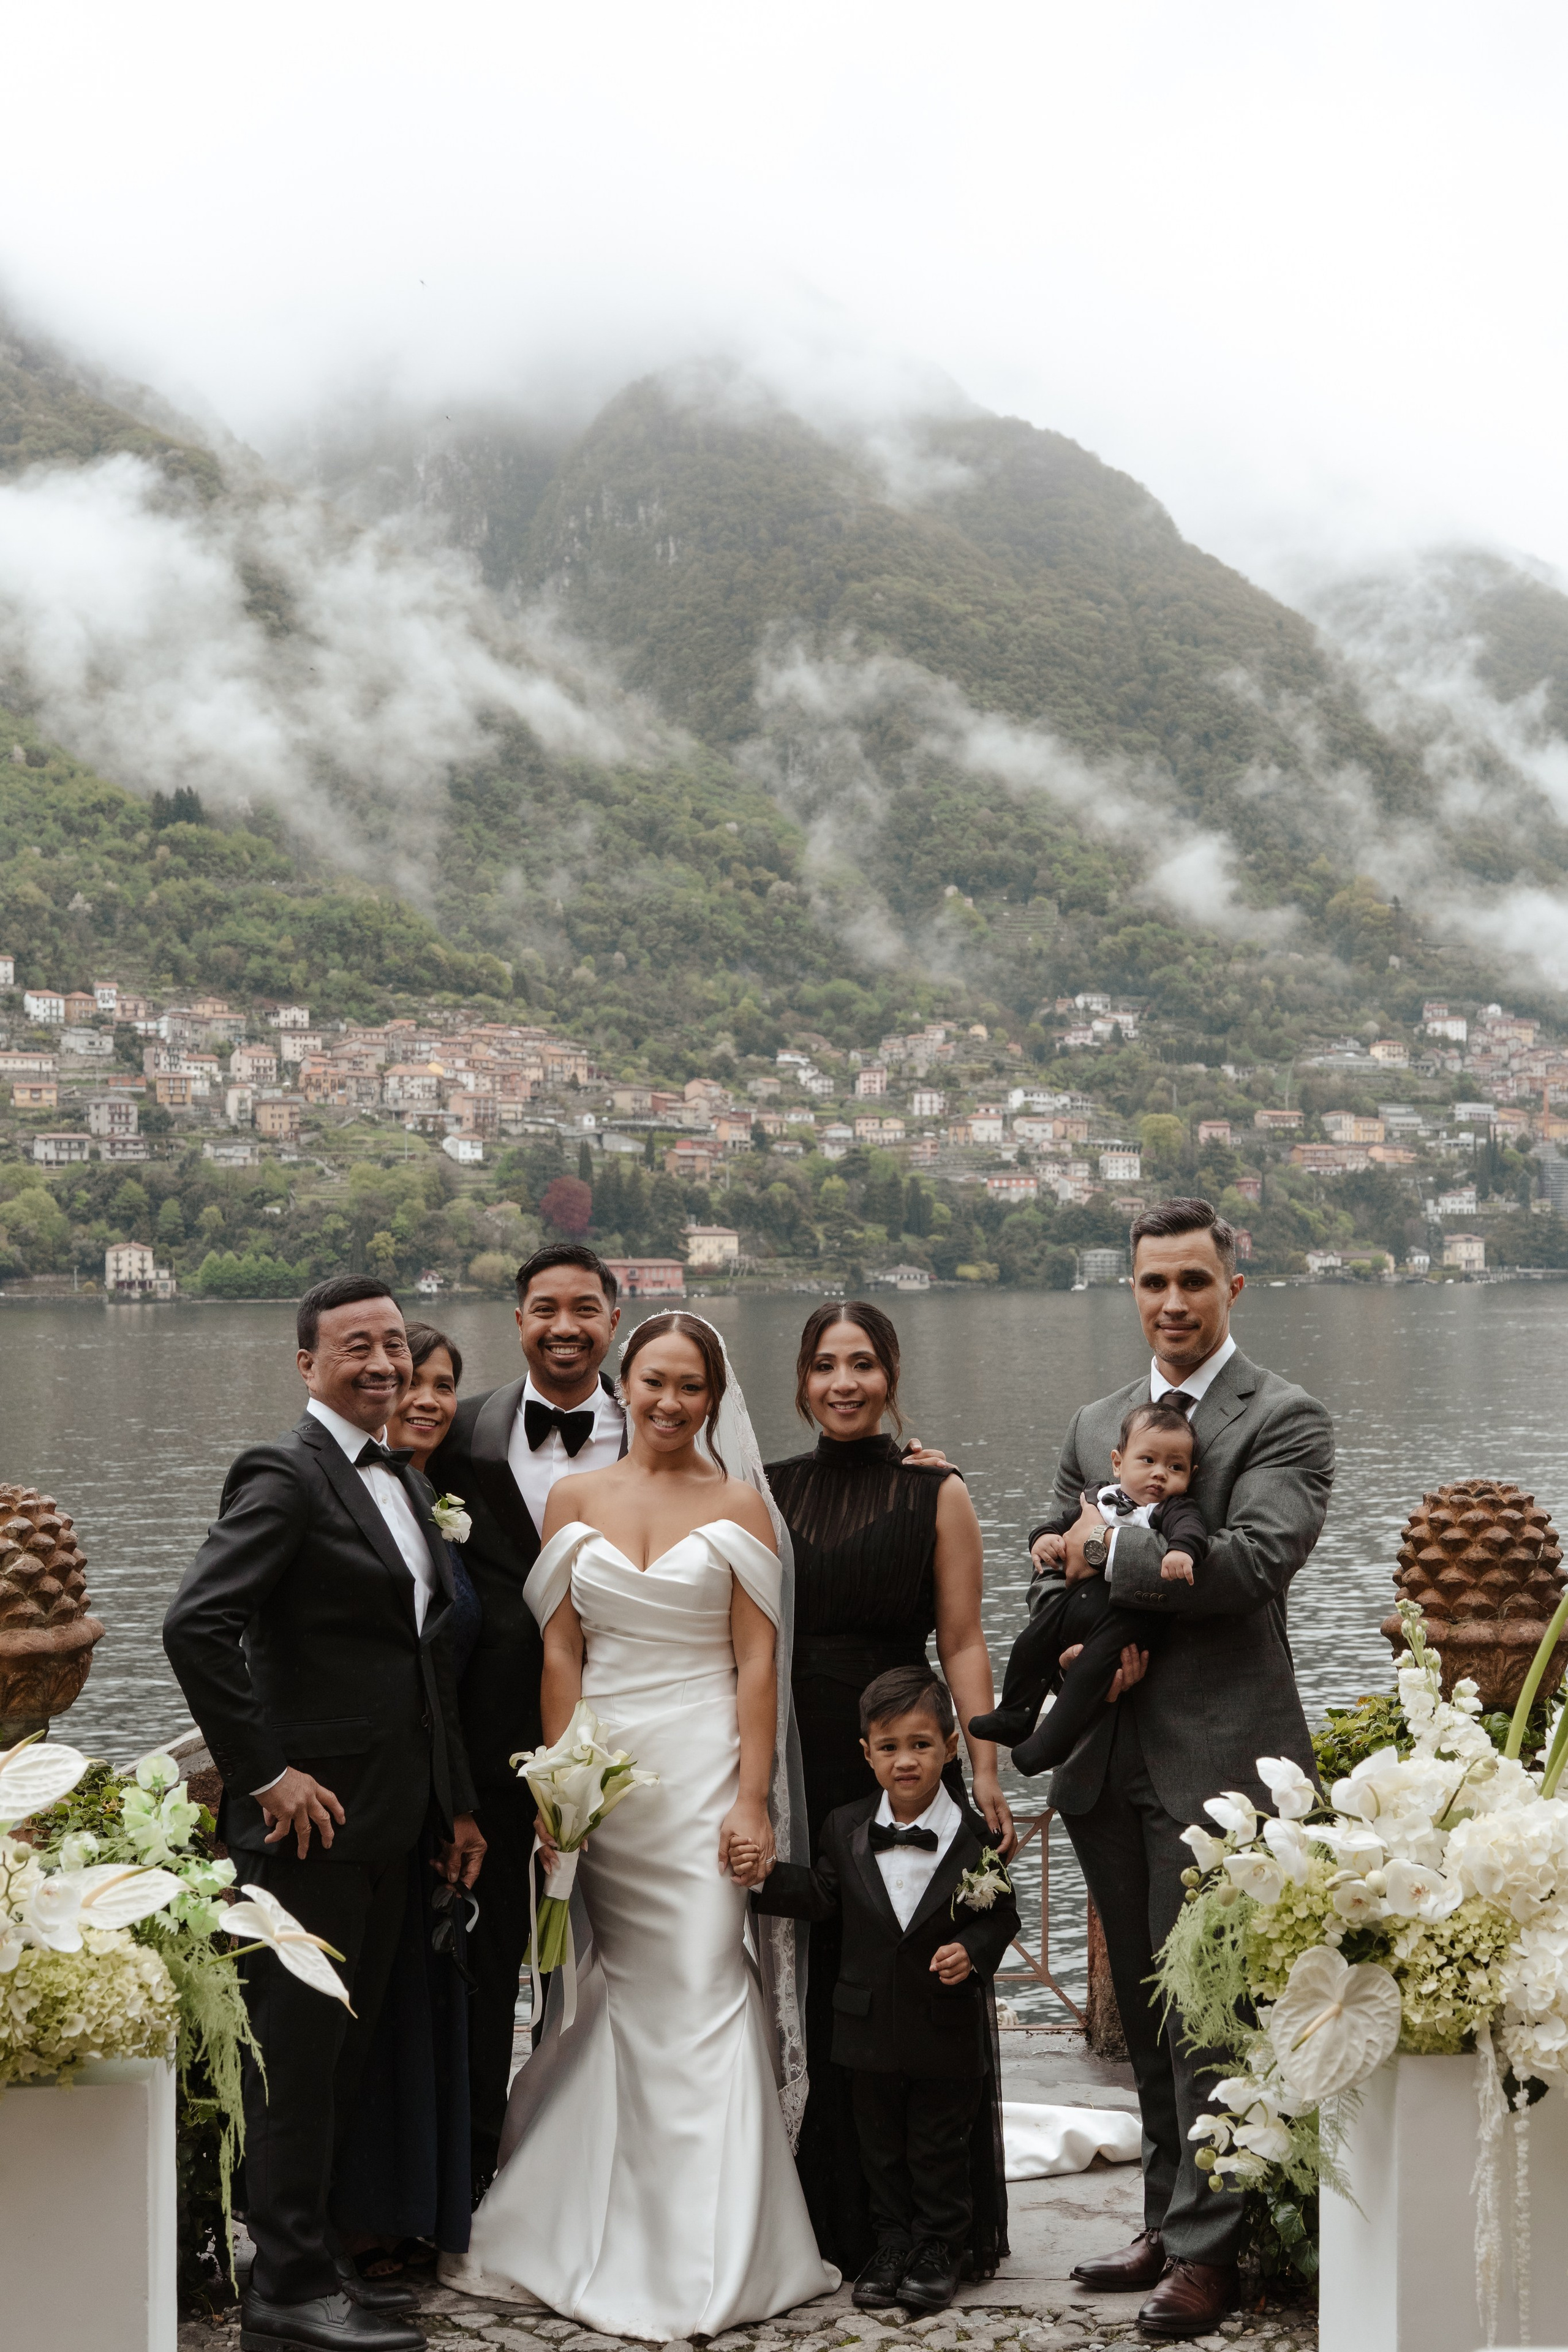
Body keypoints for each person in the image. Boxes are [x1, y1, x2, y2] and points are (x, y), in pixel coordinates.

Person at [467, 1312, 837, 2339]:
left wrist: (754, 1798)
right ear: (623, 1384)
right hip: (607, 1780)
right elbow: (561, 1658)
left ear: (715, 1399)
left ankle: (719, 2246)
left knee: (707, 1976)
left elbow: (758, 1662)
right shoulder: (574, 1498)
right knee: (615, 1988)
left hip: (704, 1762)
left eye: (690, 1387)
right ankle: (589, 2215)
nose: (669, 1403)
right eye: (653, 1382)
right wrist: (560, 1788)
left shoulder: (740, 1507)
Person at [1028, 1198, 1333, 2340]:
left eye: (1193, 1282)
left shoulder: (1286, 1418)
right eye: (1153, 1282)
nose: (1172, 1302)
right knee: (1155, 2020)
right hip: (1107, 1757)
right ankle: (1165, 2216)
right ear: (1134, 1288)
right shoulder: (1095, 1420)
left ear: (1231, 1289)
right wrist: (1066, 1641)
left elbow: (1253, 1565)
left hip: (1217, 1754)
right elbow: (1049, 1569)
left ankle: (1216, 2254)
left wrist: (1114, 1551)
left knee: (1211, 2013)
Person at [163, 1276, 484, 2352]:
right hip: (309, 1830)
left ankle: (321, 2258)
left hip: (392, 1825)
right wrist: (264, 1775)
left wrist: (456, 1805)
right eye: (358, 1348)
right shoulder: (285, 1475)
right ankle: (285, 2292)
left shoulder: (398, 1476)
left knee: (343, 2059)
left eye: (395, 1344)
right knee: (295, 2065)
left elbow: (421, 1661)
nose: (386, 1364)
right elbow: (198, 1625)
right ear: (308, 1366)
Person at [764, 1302, 1014, 2278]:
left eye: (862, 1363)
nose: (843, 1383)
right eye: (824, 1364)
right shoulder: (766, 1489)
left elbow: (962, 1638)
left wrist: (982, 1762)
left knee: (923, 1977)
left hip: (904, 1757)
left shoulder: (936, 1489)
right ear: (800, 1381)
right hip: (801, 1758)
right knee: (825, 1980)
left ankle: (940, 2227)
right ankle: (839, 2224)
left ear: (891, 1374)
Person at [424, 1243, 625, 2213]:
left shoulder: (669, 1423)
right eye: (544, 1308)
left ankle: (609, 2168)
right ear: (517, 1322)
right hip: (494, 1738)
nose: (564, 1326)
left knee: (632, 1956)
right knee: (488, 1958)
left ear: (613, 1322)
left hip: (640, 1727)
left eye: (584, 1308)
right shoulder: (461, 1434)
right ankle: (467, 2179)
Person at [750, 1666, 1020, 2317]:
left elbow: (1002, 1912)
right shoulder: (844, 1828)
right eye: (891, 1747)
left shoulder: (972, 1833)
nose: (907, 1761)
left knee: (938, 2147)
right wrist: (760, 1878)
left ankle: (939, 2248)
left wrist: (973, 1952)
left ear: (951, 1748)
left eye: (922, 1745)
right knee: (879, 2148)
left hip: (944, 2029)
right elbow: (823, 1897)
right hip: (864, 2027)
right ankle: (891, 2244)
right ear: (866, 1755)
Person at [333, 1324, 485, 2285]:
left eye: (442, 1384)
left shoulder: (434, 1496)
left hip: (442, 1792)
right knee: (366, 2013)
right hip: (360, 1797)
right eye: (411, 1380)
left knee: (426, 2008)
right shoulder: (330, 1490)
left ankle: (413, 2211)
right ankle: (347, 2227)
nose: (425, 1397)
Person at [969, 1400, 1210, 1773]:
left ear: (1190, 1474)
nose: (1160, 1474)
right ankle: (1014, 1713)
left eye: (1175, 1467)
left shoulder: (1172, 1509)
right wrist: (1044, 1539)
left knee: (1091, 1670)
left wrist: (1180, 1551)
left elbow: (1191, 1533)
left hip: (1132, 1613)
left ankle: (1051, 1743)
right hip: (1080, 1599)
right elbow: (1060, 1524)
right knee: (1032, 1641)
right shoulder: (1099, 1496)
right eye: (1148, 1461)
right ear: (1118, 1462)